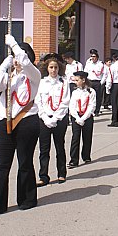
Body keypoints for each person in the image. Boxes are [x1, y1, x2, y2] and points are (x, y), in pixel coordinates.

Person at [0, 35, 40, 217]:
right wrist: (4, 65)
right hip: (5, 120)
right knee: (2, 164)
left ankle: (27, 199)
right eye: (15, 58)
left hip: (27, 120)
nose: (18, 61)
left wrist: (14, 45)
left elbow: (25, 60)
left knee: (25, 162)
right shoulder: (9, 76)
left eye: (21, 57)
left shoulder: (33, 75)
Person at [35, 54, 70, 186]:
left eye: (55, 67)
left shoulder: (63, 82)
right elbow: (38, 101)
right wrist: (45, 117)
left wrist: (55, 118)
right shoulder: (42, 82)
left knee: (59, 147)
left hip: (59, 119)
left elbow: (65, 101)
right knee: (44, 149)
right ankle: (43, 176)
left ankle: (61, 173)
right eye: (51, 67)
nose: (53, 70)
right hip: (44, 119)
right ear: (47, 68)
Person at [68, 71, 96, 168]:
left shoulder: (91, 91)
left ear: (83, 80)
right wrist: (76, 117)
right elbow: (72, 106)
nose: (75, 82)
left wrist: (84, 118)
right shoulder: (75, 92)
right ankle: (73, 160)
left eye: (77, 80)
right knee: (75, 138)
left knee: (87, 137)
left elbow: (91, 106)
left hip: (87, 117)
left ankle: (86, 156)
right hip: (76, 117)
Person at [85, 49, 106, 116]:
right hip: (90, 81)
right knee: (90, 96)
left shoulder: (101, 64)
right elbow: (86, 72)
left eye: (94, 56)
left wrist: (101, 82)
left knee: (98, 97)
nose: (92, 58)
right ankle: (90, 110)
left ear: (97, 57)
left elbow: (104, 74)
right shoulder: (88, 63)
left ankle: (97, 111)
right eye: (91, 56)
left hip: (97, 82)